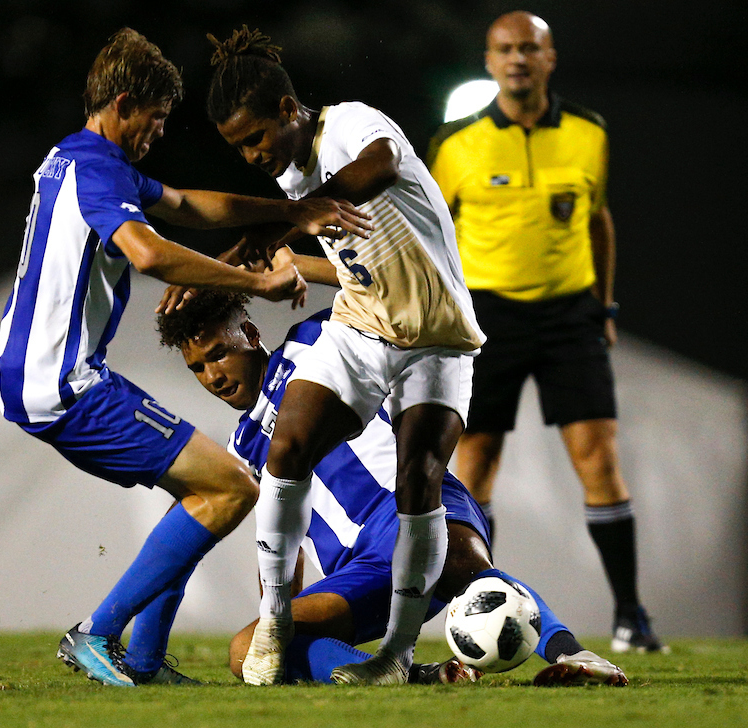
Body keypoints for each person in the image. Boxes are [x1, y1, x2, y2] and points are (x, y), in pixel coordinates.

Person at [0, 28, 370, 687]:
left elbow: (192, 206)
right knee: (233, 488)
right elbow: (148, 252)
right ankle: (97, 633)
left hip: (47, 372)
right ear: (121, 104)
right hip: (63, 380)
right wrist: (254, 282)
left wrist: (291, 211)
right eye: (155, 119)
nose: (159, 133)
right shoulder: (97, 166)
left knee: (198, 489)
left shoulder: (79, 159)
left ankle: (143, 660)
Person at [179, 26, 482, 685]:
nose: (252, 154)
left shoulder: (348, 126)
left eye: (256, 137)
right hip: (365, 325)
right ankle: (284, 624)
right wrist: (226, 264)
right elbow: (314, 243)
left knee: (419, 486)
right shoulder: (291, 177)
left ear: (289, 111)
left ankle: (403, 653)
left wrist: (290, 221)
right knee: (286, 446)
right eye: (238, 147)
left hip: (436, 330)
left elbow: (378, 168)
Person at [157, 282, 629, 687]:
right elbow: (283, 543)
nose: (213, 376)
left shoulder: (316, 337)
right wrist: (275, 620)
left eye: (219, 353)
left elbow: (381, 289)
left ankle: (573, 655)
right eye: (198, 367)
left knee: (462, 567)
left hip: (410, 502)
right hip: (359, 571)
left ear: (251, 335)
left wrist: (266, 270)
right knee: (246, 650)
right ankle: (415, 675)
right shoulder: (241, 449)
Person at [426, 11, 664, 653]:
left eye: (529, 47)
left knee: (600, 461)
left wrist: (604, 308)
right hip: (486, 319)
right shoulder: (455, 144)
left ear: (550, 57)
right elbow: (430, 237)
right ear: (489, 61)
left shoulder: (589, 132)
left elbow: (599, 219)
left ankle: (631, 618)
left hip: (568, 317)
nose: (517, 59)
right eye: (505, 49)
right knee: (474, 467)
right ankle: (472, 610)